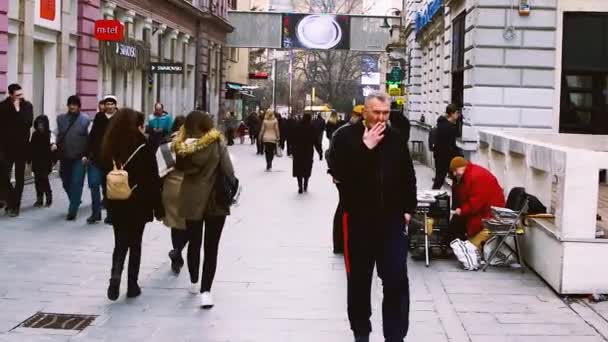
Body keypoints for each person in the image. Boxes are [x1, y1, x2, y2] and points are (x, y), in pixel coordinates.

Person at [330, 91, 417, 342]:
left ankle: (395, 335)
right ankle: (361, 331)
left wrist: (408, 210)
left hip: (391, 221)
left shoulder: (396, 138)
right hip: (358, 221)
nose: (381, 117)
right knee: (358, 281)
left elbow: (408, 176)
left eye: (386, 113)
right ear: (364, 112)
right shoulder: (345, 137)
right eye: (376, 112)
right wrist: (365, 148)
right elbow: (340, 174)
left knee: (396, 279)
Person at [174, 111, 235, 309]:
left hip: (191, 200)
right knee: (211, 247)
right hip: (215, 201)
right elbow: (228, 170)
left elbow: (173, 166)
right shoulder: (217, 143)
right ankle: (206, 292)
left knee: (194, 242)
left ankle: (193, 281)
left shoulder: (181, 147)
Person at [102, 108, 164, 301]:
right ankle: (132, 285)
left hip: (116, 201)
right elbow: (153, 179)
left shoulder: (110, 144)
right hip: (139, 202)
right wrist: (158, 208)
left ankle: (115, 275)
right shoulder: (143, 146)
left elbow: (105, 171)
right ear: (136, 125)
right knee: (135, 243)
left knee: (120, 242)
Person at [326, 105, 364, 255]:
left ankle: (344, 242)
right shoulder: (343, 132)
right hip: (344, 178)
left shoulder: (351, 131)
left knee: (345, 207)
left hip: (349, 177)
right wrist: (336, 174)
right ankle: (340, 243)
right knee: (344, 208)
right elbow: (331, 154)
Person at [450, 157, 505, 249]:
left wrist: (462, 210)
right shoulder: (468, 174)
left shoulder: (475, 176)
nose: (455, 174)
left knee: (460, 223)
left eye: (456, 170)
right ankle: (456, 244)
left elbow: (476, 202)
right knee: (457, 221)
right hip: (486, 209)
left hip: (489, 213)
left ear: (463, 166)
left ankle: (460, 246)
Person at [53, 95, 91, 221]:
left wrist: (88, 155)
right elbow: (55, 132)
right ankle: (75, 199)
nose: (72, 106)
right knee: (65, 181)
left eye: (75, 104)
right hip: (65, 156)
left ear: (79, 106)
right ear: (68, 106)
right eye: (70, 104)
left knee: (77, 183)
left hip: (80, 158)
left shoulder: (86, 120)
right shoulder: (61, 119)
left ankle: (72, 210)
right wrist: (53, 142)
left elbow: (91, 139)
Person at [160, 115, 188, 274]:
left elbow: (160, 171)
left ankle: (176, 253)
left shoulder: (166, 144)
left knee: (175, 223)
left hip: (171, 188)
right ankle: (178, 250)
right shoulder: (194, 143)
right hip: (190, 188)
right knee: (191, 223)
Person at [0, 84, 33, 217]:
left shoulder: (27, 106)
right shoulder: (3, 107)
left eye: (21, 94)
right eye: (17, 95)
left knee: (20, 178)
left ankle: (16, 206)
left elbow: (28, 123)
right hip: (6, 148)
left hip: (21, 148)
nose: (21, 97)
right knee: (2, 175)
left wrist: (18, 109)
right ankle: (10, 199)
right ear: (11, 95)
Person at [86, 95, 118, 224]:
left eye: (112, 104)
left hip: (111, 160)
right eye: (107, 104)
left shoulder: (119, 118)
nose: (109, 106)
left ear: (115, 105)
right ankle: (96, 213)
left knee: (108, 188)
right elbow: (92, 136)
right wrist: (87, 154)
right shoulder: (99, 117)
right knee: (93, 184)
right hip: (96, 158)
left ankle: (110, 215)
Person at [432, 104, 461, 190]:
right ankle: (433, 195)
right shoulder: (449, 127)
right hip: (445, 156)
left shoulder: (442, 123)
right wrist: (458, 155)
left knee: (440, 178)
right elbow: (450, 143)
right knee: (441, 178)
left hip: (440, 154)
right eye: (456, 113)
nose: (458, 115)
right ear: (452, 114)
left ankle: (433, 194)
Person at [27, 115, 53, 208]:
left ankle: (49, 197)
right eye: (38, 124)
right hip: (36, 161)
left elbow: (52, 149)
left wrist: (52, 161)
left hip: (45, 162)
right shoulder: (35, 134)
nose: (40, 126)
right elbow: (31, 148)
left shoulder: (48, 135)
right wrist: (29, 159)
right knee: (37, 180)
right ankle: (39, 199)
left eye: (42, 124)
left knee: (44, 179)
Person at [292, 113, 316, 194]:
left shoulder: (297, 126)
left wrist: (292, 150)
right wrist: (319, 151)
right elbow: (315, 140)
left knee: (299, 168)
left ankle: (300, 186)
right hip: (308, 151)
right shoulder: (312, 127)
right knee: (307, 167)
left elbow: (293, 139)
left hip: (298, 151)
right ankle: (305, 184)